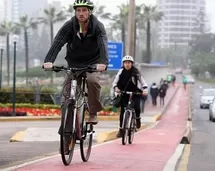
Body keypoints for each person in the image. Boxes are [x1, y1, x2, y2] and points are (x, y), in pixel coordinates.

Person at [43, 0, 108, 140]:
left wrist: (102, 62)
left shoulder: (97, 26)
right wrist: (49, 60)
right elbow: (58, 42)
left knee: (92, 81)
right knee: (66, 96)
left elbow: (103, 45)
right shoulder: (69, 26)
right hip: (74, 63)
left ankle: (93, 112)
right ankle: (67, 131)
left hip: (93, 63)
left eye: (84, 10)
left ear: (89, 12)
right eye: (78, 10)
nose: (81, 13)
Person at [112, 55, 148, 137]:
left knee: (137, 108)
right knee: (122, 112)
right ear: (123, 64)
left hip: (135, 93)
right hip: (124, 93)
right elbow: (114, 83)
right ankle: (121, 129)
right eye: (125, 63)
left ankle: (138, 119)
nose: (127, 64)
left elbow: (143, 82)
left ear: (132, 64)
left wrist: (145, 89)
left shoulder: (136, 72)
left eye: (129, 63)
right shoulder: (121, 71)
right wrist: (116, 88)